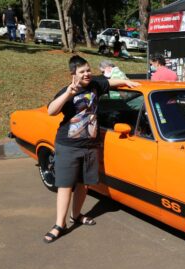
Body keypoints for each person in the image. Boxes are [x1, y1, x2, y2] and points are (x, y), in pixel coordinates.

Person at [43, 55, 139, 243]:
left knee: (84, 184)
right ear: (73, 74)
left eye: (88, 70)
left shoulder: (95, 85)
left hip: (90, 145)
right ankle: (59, 225)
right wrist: (68, 94)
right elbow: (51, 110)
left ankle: (76, 215)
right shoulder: (67, 91)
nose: (87, 74)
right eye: (82, 71)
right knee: (65, 185)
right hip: (68, 144)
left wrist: (128, 82)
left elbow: (111, 81)